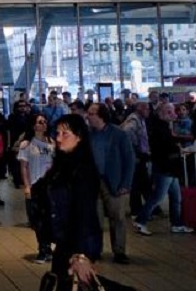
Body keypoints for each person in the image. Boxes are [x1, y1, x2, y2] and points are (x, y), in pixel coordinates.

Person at [35, 114, 102, 288]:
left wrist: (81, 254)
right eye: (57, 133)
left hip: (76, 245)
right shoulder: (61, 165)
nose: (58, 138)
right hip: (63, 241)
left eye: (65, 134)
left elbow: (85, 214)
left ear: (79, 137)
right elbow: (40, 191)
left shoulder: (83, 171)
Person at [133, 103, 194, 236]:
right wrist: (178, 149)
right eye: (169, 111)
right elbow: (163, 147)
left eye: (172, 111)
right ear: (161, 113)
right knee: (158, 197)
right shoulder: (159, 128)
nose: (174, 114)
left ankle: (177, 224)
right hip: (165, 167)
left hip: (169, 167)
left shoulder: (164, 127)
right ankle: (140, 221)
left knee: (175, 197)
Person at [87, 103, 135, 265]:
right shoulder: (88, 135)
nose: (88, 116)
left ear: (101, 116)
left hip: (114, 182)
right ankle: (95, 249)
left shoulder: (118, 134)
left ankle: (119, 251)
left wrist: (125, 184)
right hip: (93, 182)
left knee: (118, 217)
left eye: (91, 114)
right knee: (95, 218)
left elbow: (129, 160)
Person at [17, 114, 54, 263]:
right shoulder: (26, 144)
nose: (43, 124)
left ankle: (46, 248)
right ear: (34, 126)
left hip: (50, 187)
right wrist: (27, 186)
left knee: (49, 219)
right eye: (40, 122)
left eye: (45, 122)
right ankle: (43, 247)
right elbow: (24, 167)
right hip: (35, 186)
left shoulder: (52, 143)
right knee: (37, 220)